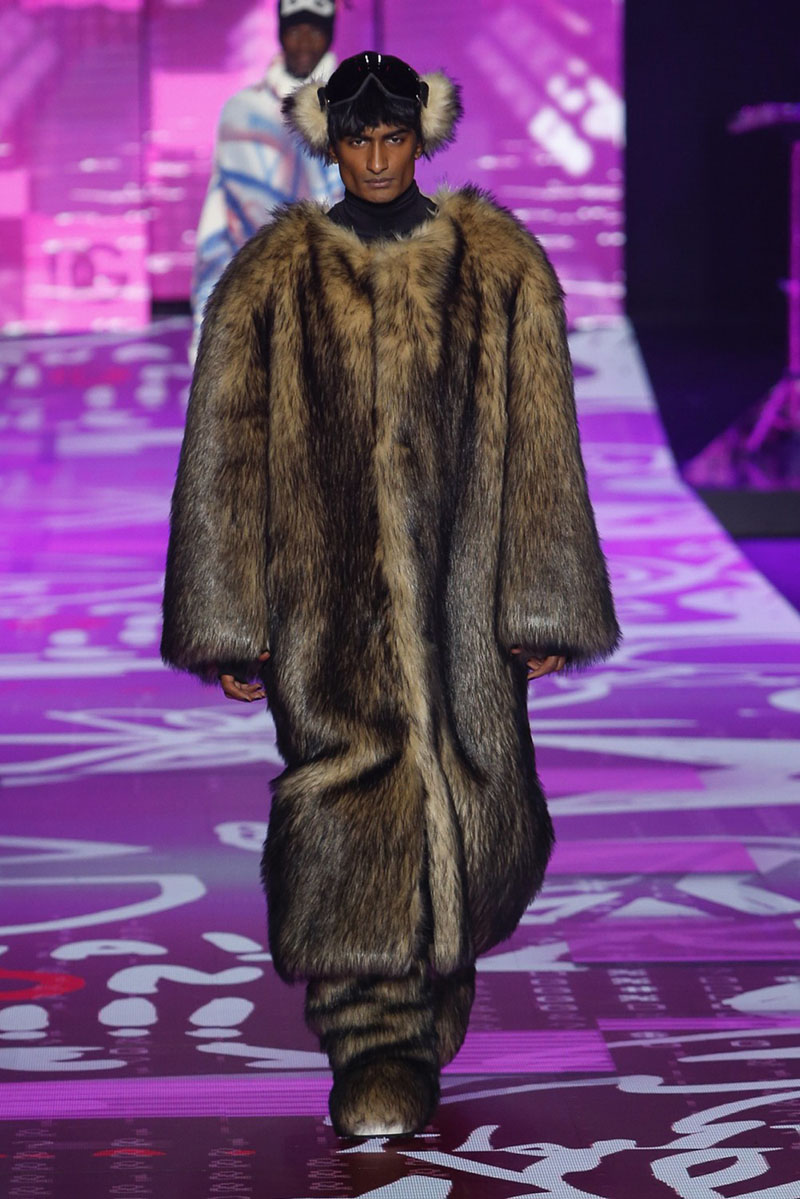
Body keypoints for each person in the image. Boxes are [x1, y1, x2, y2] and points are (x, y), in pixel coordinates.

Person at [162, 51, 620, 1138]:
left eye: (393, 136)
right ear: (330, 142)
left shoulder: (499, 266)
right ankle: (374, 1043)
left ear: (423, 136)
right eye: (357, 138)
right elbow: (223, 452)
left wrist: (543, 598)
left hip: (468, 597)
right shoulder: (270, 279)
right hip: (322, 604)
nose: (375, 157)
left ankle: (431, 982)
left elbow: (543, 442)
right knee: (345, 795)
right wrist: (229, 615)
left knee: (477, 807)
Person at [189, 0, 341, 361]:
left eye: (315, 31)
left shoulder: (355, 113)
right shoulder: (243, 111)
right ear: (280, 33)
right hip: (259, 308)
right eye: (295, 30)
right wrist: (205, 327)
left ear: (329, 35)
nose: (304, 42)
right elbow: (219, 218)